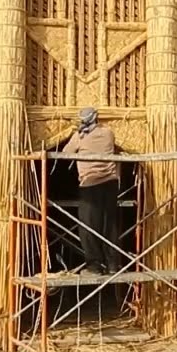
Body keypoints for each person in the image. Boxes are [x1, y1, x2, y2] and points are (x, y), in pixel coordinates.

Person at [63, 107, 120, 274]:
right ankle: (112, 265)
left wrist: (76, 134)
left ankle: (94, 265)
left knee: (89, 226)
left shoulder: (80, 136)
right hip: (110, 183)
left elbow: (66, 153)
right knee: (109, 225)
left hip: (90, 184)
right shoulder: (108, 133)